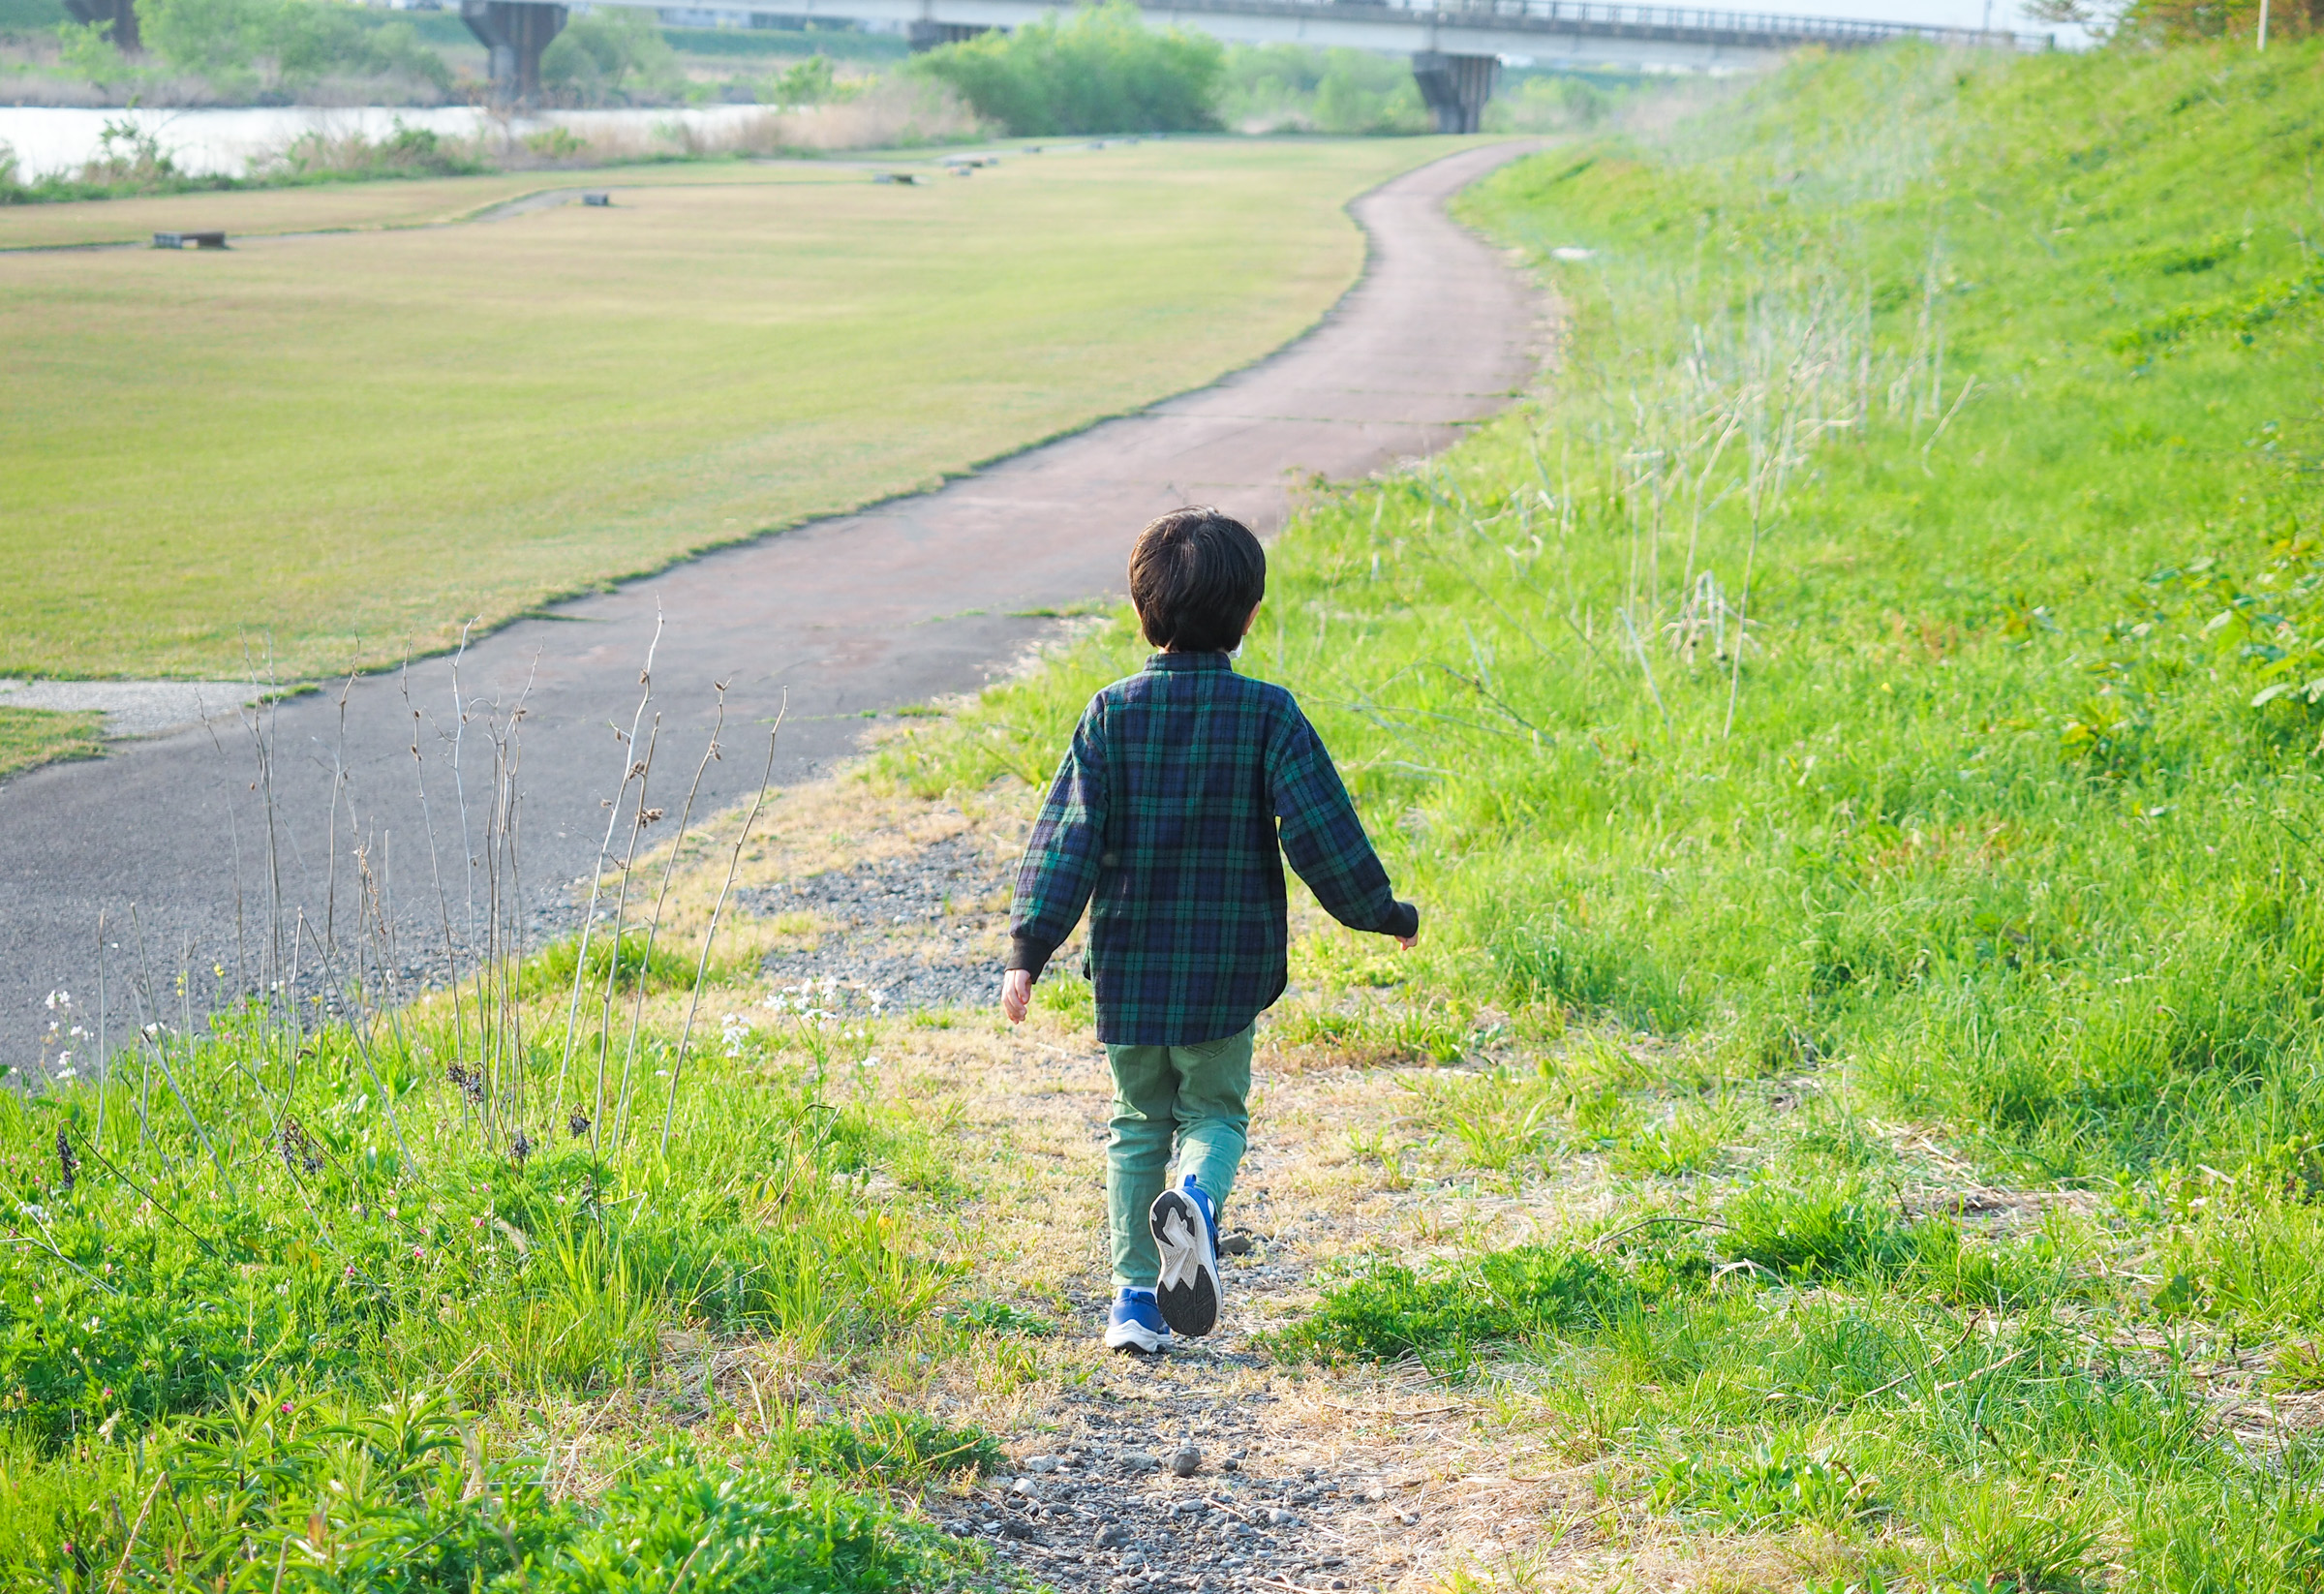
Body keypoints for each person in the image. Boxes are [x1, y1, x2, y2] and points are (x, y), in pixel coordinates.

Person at [999, 506, 1421, 1353]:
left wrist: (1027, 952)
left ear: (1141, 611)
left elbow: (1065, 841)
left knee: (1133, 1122)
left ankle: (1133, 1307)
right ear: (1251, 614)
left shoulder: (1110, 715)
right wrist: (1382, 914)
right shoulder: (1269, 715)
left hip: (1130, 972)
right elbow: (1322, 835)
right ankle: (1194, 1197)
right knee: (1215, 1114)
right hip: (1227, 969)